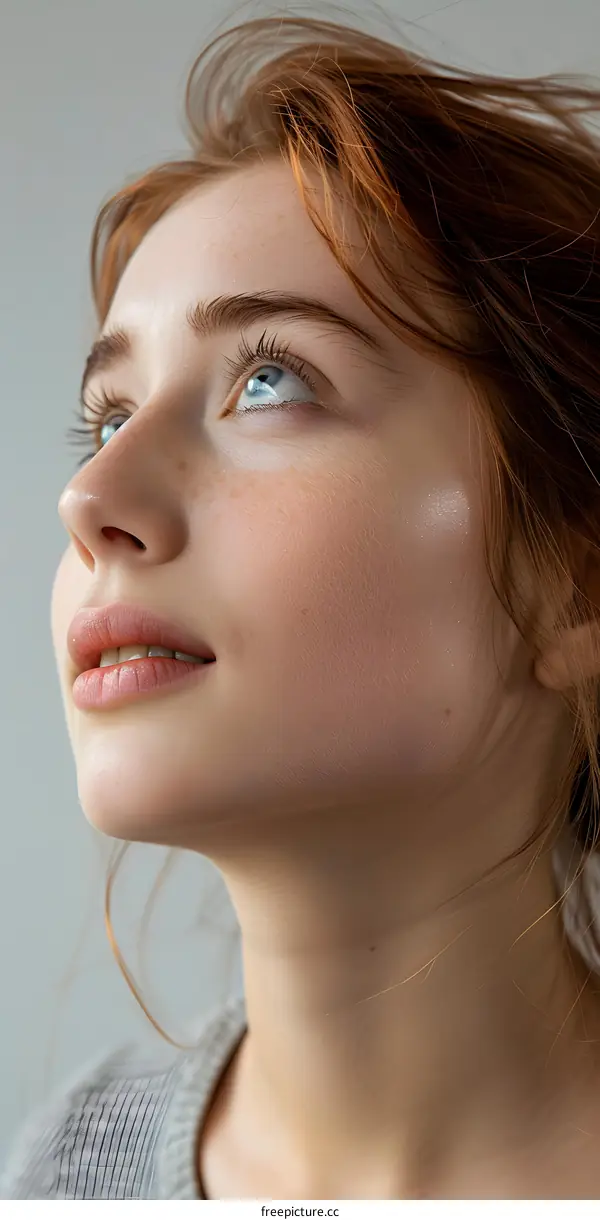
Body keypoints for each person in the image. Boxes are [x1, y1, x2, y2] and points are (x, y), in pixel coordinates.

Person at [3, 11, 600, 1202]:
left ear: (573, 578)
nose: (90, 495)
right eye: (109, 415)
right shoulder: (70, 1171)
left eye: (269, 379)